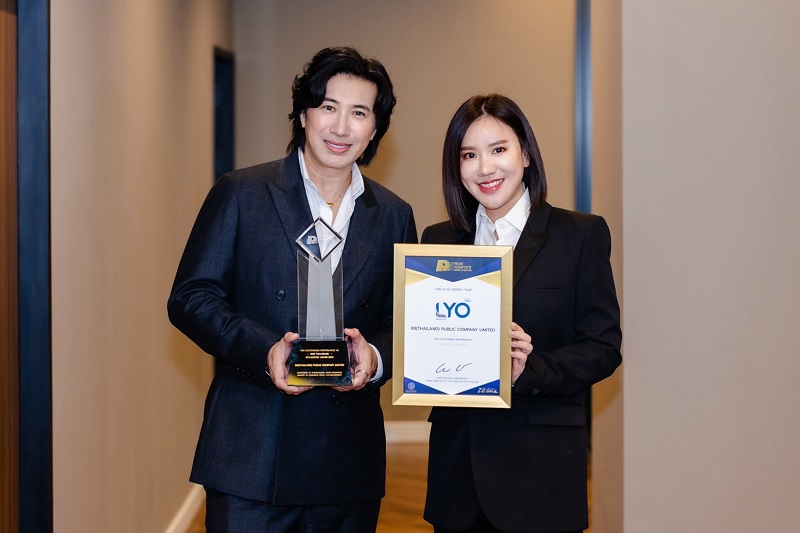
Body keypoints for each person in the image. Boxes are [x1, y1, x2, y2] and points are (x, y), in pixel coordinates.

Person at [167, 46, 417, 532]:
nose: (340, 127)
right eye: (328, 107)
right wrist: (265, 351)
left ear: (375, 129)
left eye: (359, 112)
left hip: (347, 462)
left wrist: (374, 358)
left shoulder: (393, 215)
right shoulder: (242, 193)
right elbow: (191, 297)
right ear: (303, 114)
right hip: (250, 456)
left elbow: (404, 323)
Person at [421, 94, 622, 533]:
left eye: (498, 149)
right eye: (469, 155)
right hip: (458, 476)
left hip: (540, 472)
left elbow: (603, 348)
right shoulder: (437, 240)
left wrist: (529, 369)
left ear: (526, 154)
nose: (485, 168)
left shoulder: (579, 235)